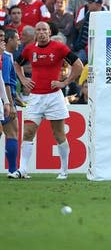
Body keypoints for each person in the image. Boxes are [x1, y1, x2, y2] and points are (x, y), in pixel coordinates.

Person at [9, 22, 83, 179]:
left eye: (44, 30)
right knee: (28, 132)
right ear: (35, 33)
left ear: (49, 32)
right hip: (35, 97)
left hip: (54, 97)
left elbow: (78, 65)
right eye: (38, 30)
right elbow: (16, 64)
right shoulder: (30, 49)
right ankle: (22, 170)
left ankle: (64, 170)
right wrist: (23, 79)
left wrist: (64, 82)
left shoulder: (59, 48)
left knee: (58, 134)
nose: (41, 32)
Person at [1, 28, 19, 175]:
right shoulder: (5, 57)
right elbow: (6, 82)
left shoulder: (8, 56)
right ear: (9, 40)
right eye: (17, 38)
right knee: (12, 133)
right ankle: (12, 170)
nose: (19, 41)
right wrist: (11, 104)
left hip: (8, 98)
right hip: (5, 101)